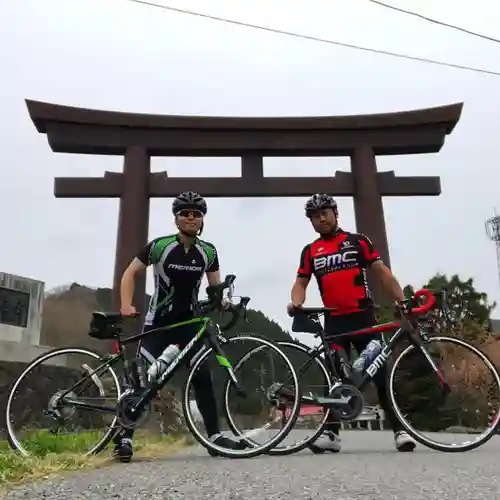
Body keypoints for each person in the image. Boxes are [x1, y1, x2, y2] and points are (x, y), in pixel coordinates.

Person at [113, 191, 246, 462]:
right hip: (158, 324)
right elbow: (129, 273)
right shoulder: (159, 246)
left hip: (189, 324)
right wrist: (126, 304)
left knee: (202, 377)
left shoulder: (208, 251)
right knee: (143, 380)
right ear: (176, 218)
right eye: (185, 213)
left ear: (202, 220)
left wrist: (225, 303)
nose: (190, 217)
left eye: (196, 214)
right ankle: (124, 438)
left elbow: (215, 289)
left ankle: (215, 437)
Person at [287, 193, 417, 453]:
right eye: (314, 216)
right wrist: (296, 303)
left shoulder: (358, 242)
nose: (320, 219)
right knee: (333, 377)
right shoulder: (311, 251)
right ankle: (331, 435)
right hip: (334, 322)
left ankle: (400, 430)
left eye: (324, 212)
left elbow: (382, 273)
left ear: (335, 212)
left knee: (381, 374)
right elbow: (301, 283)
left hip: (364, 318)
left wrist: (402, 300)